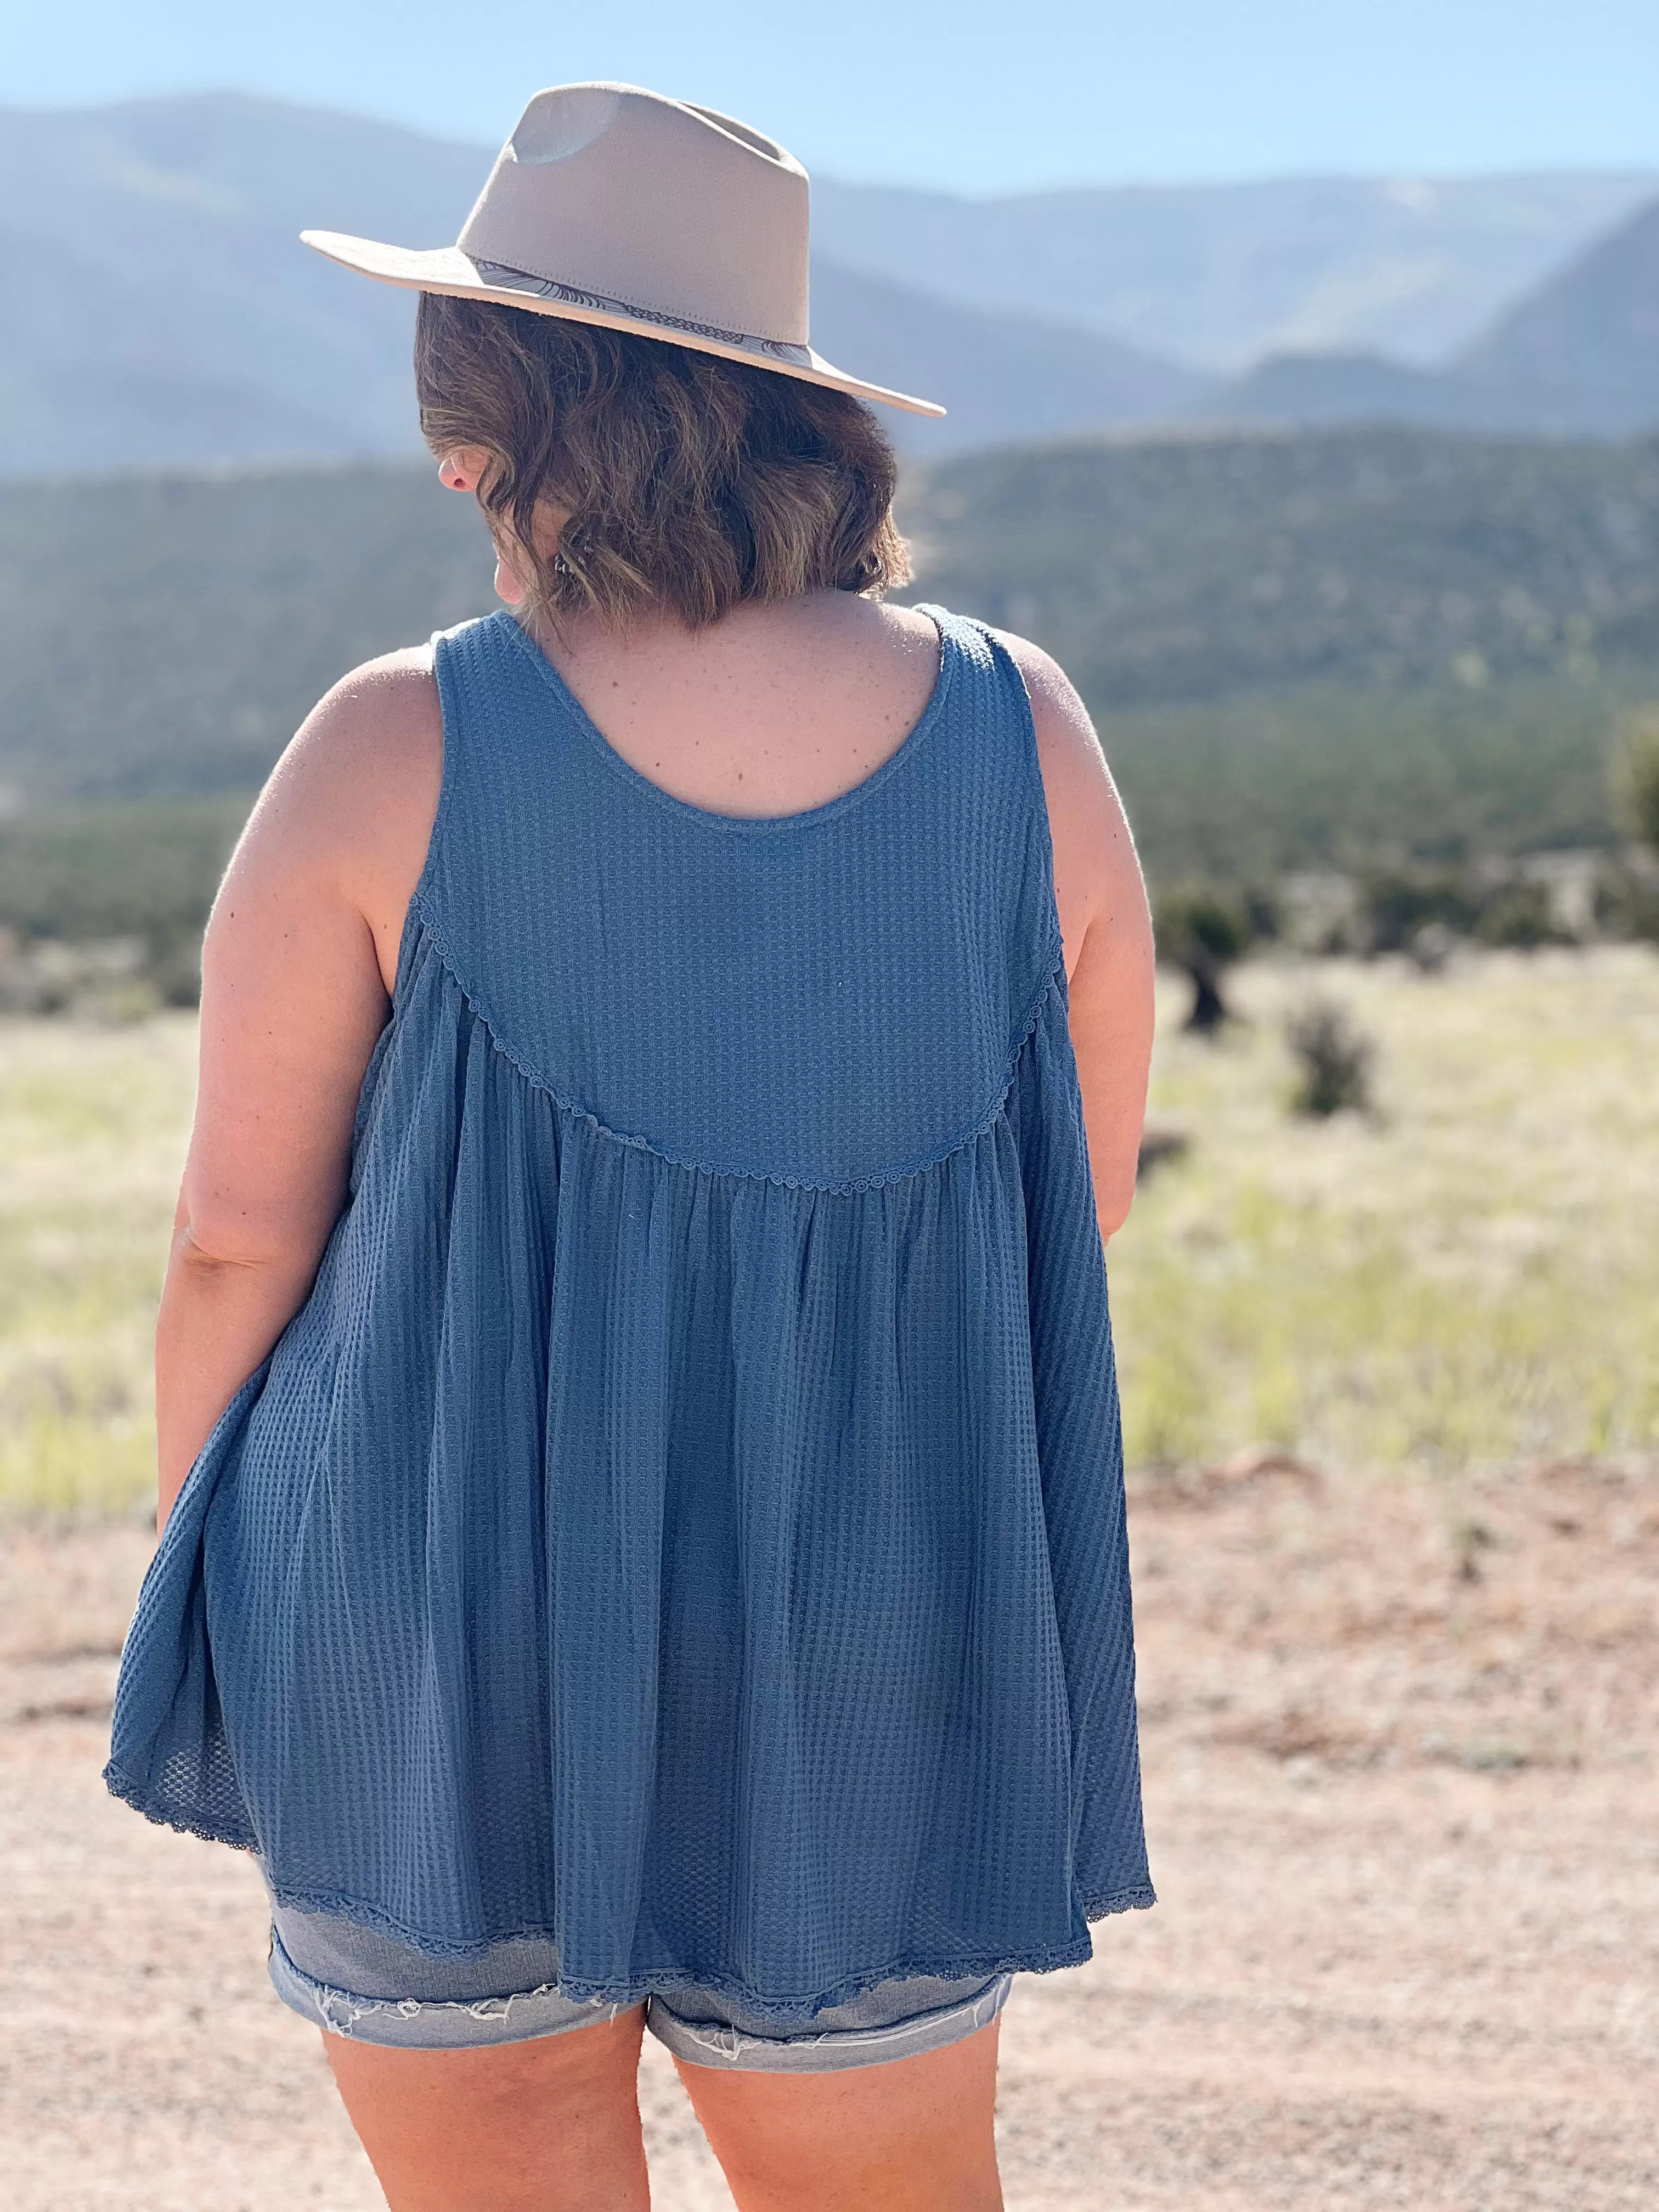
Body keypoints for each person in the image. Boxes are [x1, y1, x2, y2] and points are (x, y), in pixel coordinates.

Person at [106, 83, 1156, 2212]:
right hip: (871, 1647)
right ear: (802, 420)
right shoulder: (1022, 732)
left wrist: (225, 1590)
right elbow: (1084, 1192)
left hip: (425, 1649)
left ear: (487, 438)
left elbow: (235, 1238)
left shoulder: (394, 742)